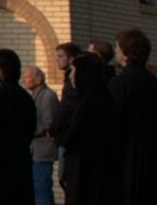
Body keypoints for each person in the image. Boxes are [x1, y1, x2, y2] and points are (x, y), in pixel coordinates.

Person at [109, 28, 157, 205]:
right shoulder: (156, 83)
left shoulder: (120, 83)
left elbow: (113, 119)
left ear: (126, 54)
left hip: (127, 153)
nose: (116, 52)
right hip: (155, 152)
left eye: (118, 48)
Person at [58, 52, 120, 205]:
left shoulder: (87, 103)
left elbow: (75, 134)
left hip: (85, 171)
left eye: (73, 71)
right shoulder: (102, 98)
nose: (70, 76)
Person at [0, 48, 35, 205]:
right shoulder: (25, 97)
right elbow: (31, 127)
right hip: (21, 160)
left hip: (0, 163)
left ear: (1, 70)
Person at [21, 65, 58, 205]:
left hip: (43, 149)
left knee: (41, 187)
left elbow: (48, 123)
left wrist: (28, 131)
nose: (24, 80)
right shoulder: (36, 95)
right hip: (36, 148)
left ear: (38, 79)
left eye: (27, 77)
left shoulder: (47, 96)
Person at [51, 42, 82, 195]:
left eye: (61, 56)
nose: (57, 60)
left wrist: (55, 127)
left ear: (71, 59)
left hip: (67, 136)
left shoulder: (72, 80)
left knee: (66, 178)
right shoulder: (69, 79)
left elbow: (67, 107)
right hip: (66, 135)